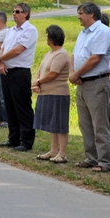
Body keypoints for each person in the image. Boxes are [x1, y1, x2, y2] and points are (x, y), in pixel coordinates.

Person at [70, 2, 110, 172]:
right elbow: (76, 55)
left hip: (97, 82)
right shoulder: (83, 33)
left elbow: (95, 58)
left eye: (80, 13)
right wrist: (75, 73)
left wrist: (77, 73)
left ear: (91, 14)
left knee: (100, 124)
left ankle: (105, 161)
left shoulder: (102, 31)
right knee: (85, 123)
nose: (78, 16)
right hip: (83, 82)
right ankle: (91, 157)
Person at [0, 3, 38, 152]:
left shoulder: (30, 30)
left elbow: (17, 50)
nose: (14, 14)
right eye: (13, 11)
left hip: (20, 71)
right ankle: (13, 138)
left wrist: (1, 59)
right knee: (10, 106)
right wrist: (1, 63)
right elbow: (3, 48)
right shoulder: (11, 31)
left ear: (25, 13)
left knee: (22, 107)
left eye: (17, 11)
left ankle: (26, 141)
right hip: (7, 71)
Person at [33, 25, 70, 163]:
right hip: (46, 92)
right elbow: (41, 71)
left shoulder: (61, 54)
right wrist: (37, 83)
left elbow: (53, 73)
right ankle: (53, 150)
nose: (46, 38)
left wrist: (38, 82)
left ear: (53, 38)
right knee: (51, 123)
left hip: (58, 93)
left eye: (48, 36)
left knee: (60, 123)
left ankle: (62, 153)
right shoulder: (48, 54)